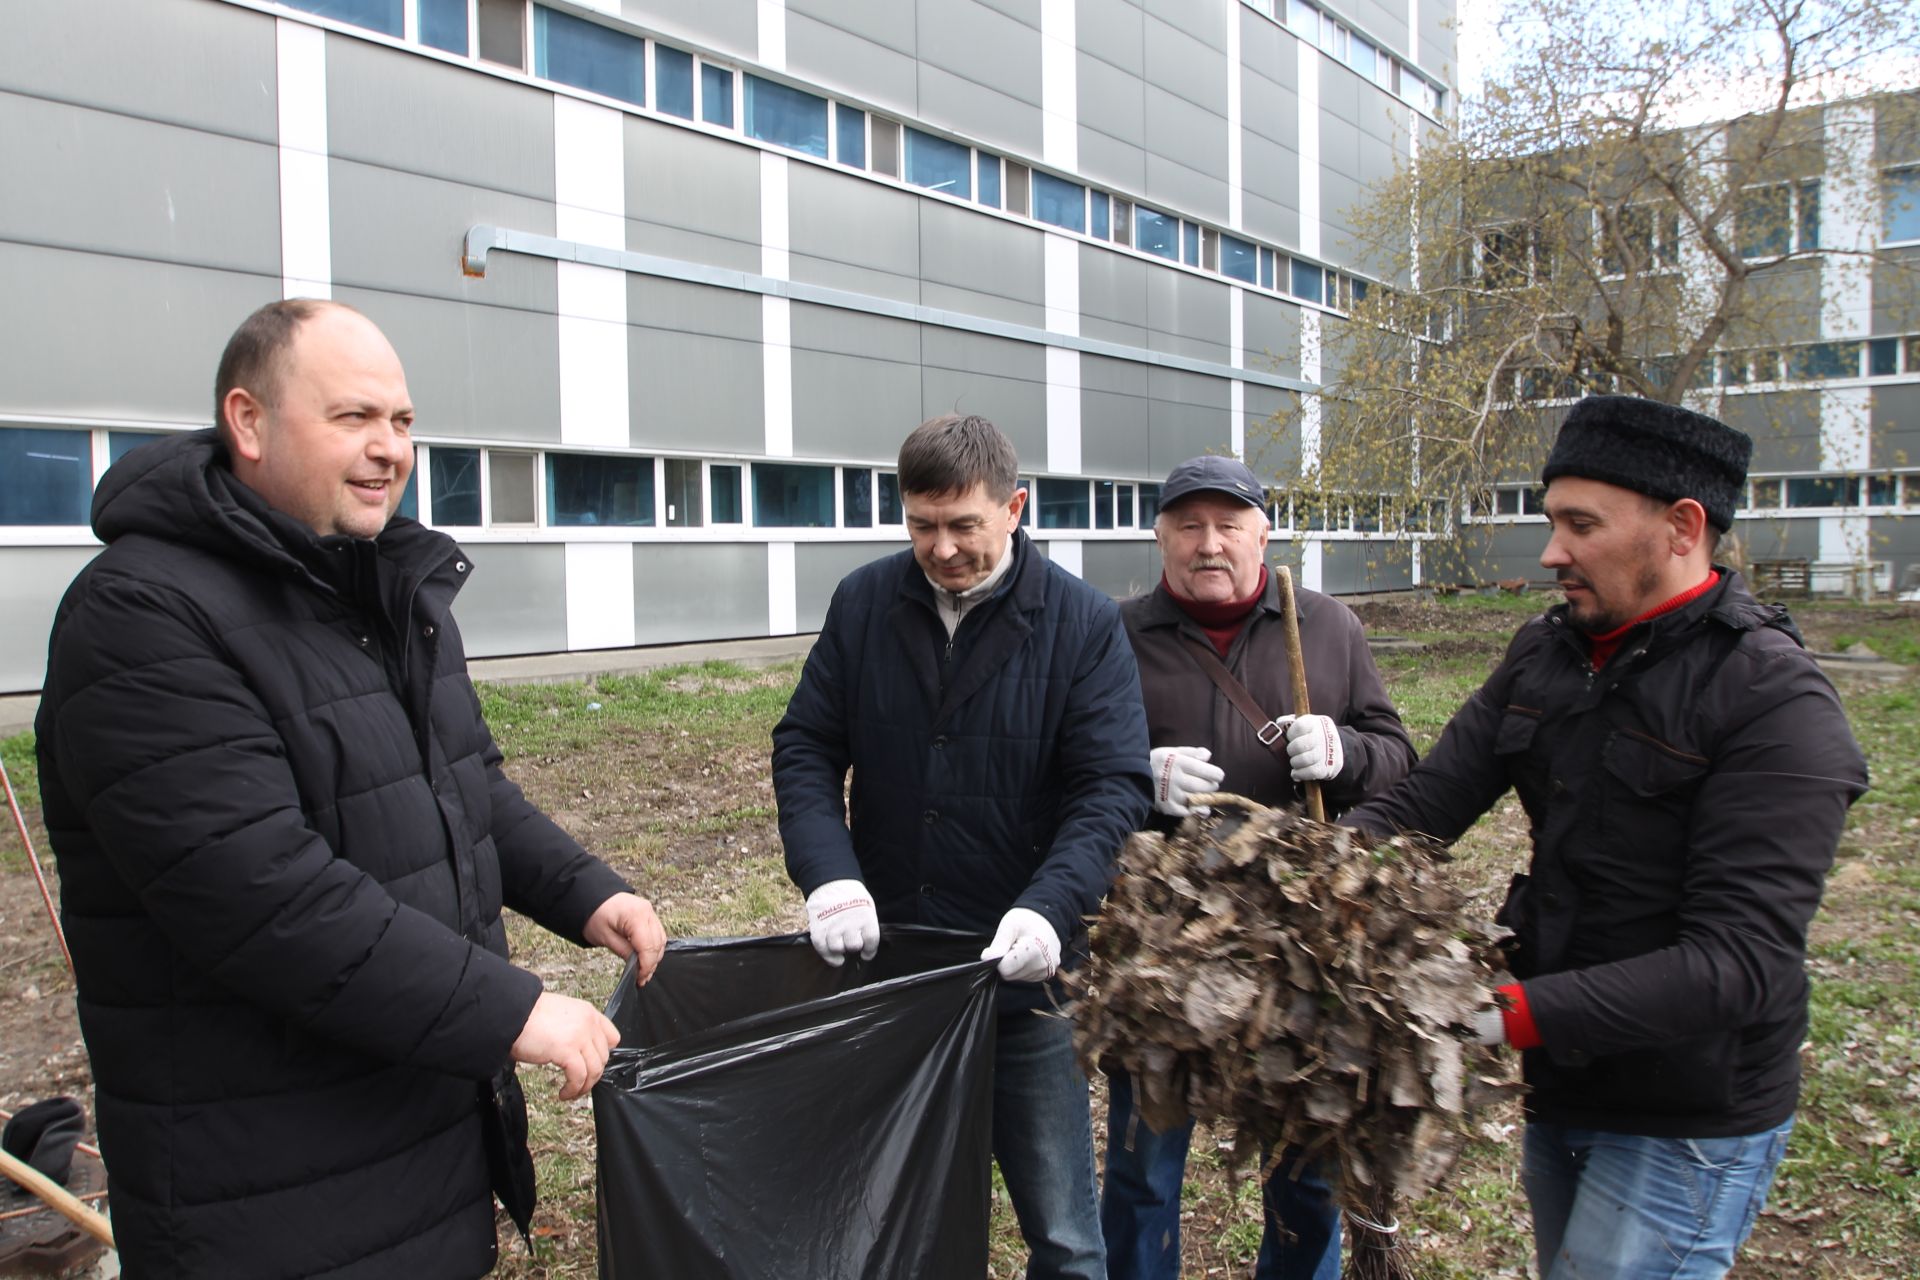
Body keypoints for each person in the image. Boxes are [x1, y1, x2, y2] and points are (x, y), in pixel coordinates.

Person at [35, 299, 668, 1279]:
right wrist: (511, 1009)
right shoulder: (142, 614)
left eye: (404, 422)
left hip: (413, 1129)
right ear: (248, 422)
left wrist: (586, 891)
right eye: (353, 418)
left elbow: (464, 786)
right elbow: (258, 892)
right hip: (261, 1180)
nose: (389, 449)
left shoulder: (375, 590)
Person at [1343, 395, 1868, 1279]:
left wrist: (1493, 1018)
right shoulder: (1546, 655)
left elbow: (1736, 962)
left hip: (1688, 1104)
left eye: (1581, 525)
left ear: (1681, 527)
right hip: (1568, 1075)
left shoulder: (1775, 702)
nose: (1552, 553)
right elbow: (1425, 803)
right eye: (1553, 522)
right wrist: (1306, 872)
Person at [773, 413, 1153, 1280]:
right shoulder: (868, 603)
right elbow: (806, 745)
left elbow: (1110, 787)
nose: (940, 549)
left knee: (1064, 1236)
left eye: (963, 525)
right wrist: (831, 877)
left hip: (1027, 984)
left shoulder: (1083, 625)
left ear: (1015, 507)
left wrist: (1051, 908)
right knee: (895, 1214)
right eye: (920, 525)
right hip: (894, 968)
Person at [1101, 455, 1417, 1280]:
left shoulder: (1327, 627)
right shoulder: (1114, 635)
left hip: (1299, 941)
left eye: (1229, 526)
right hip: (1161, 940)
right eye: (1190, 526)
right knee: (1143, 1169)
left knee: (1306, 1173)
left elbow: (1399, 759)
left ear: (1262, 535)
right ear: (1162, 536)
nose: (1210, 545)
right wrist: (1138, 774)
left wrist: (1347, 754)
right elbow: (1064, 769)